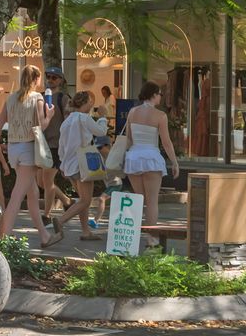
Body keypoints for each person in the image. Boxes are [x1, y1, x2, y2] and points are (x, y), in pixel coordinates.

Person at [0, 67, 57, 246]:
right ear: (36, 79)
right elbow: (41, 126)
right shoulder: (37, 97)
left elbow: (0, 122)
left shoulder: (11, 98)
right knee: (17, 196)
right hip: (27, 149)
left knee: (33, 192)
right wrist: (50, 115)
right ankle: (3, 240)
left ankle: (44, 235)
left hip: (13, 148)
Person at [122, 81, 180, 246]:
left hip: (134, 157)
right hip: (151, 157)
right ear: (154, 95)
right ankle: (152, 239)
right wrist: (174, 162)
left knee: (138, 200)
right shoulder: (160, 116)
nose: (161, 97)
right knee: (152, 202)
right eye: (160, 94)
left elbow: (128, 138)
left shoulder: (132, 112)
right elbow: (166, 142)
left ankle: (130, 239)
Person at [54, 89, 108, 239]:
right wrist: (103, 117)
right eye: (91, 102)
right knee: (86, 200)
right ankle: (60, 221)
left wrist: (63, 165)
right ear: (87, 102)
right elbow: (101, 132)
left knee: (82, 199)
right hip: (84, 163)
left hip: (70, 165)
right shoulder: (84, 118)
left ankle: (85, 231)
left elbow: (62, 146)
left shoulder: (66, 121)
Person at [39, 69, 72, 216]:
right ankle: (66, 200)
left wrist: (66, 147)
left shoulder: (63, 99)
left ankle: (46, 215)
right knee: (41, 182)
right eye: (48, 76)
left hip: (55, 145)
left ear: (61, 80)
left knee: (47, 181)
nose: (50, 79)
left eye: (54, 77)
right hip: (40, 144)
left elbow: (69, 122)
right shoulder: (40, 97)